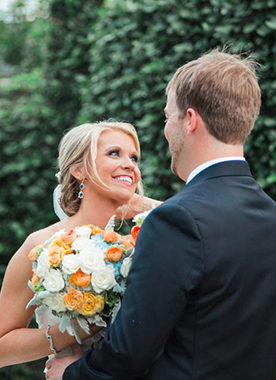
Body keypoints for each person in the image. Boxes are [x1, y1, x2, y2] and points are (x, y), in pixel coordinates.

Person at [47, 50, 276, 380]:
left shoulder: (177, 222)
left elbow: (128, 354)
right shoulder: (274, 218)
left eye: (167, 117)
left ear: (190, 120)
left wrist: (69, 374)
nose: (166, 130)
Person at [0, 121, 160, 369]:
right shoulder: (43, 245)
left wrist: (145, 205)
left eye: (134, 158)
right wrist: (73, 331)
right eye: (114, 153)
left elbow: (191, 222)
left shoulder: (136, 245)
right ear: (79, 170)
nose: (131, 164)